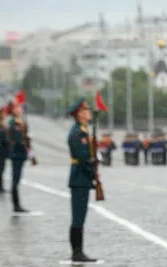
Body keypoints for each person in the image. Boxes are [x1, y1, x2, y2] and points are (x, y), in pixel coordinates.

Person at [67, 98, 98, 262]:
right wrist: (92, 172)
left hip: (81, 177)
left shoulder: (83, 130)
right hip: (80, 176)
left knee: (81, 215)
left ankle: (78, 251)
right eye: (86, 110)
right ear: (79, 114)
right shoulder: (79, 133)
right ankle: (77, 252)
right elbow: (83, 157)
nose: (89, 113)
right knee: (78, 215)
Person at [7, 100, 30, 212]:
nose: (20, 109)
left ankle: (17, 205)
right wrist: (26, 147)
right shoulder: (14, 123)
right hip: (17, 155)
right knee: (15, 180)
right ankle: (16, 205)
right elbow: (18, 140)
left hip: (19, 155)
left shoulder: (19, 122)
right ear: (13, 110)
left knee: (16, 180)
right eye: (17, 107)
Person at [0, 106, 9, 194]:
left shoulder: (4, 124)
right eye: (3, 113)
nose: (4, 115)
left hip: (5, 149)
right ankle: (0, 188)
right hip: (1, 149)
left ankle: (1, 187)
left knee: (3, 168)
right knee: (0, 168)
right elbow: (2, 137)